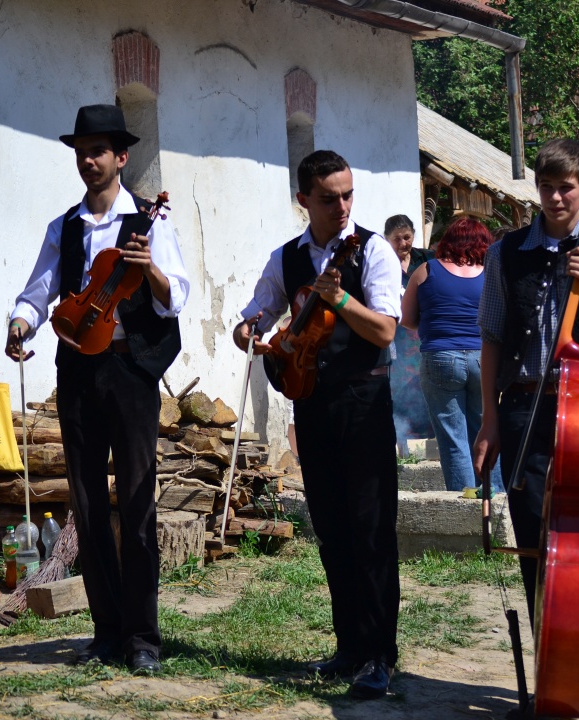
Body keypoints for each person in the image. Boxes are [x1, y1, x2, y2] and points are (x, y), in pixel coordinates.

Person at [5, 104, 189, 674]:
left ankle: (143, 637)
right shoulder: (65, 226)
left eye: (99, 152)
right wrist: (20, 324)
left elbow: (176, 297)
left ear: (121, 157)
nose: (89, 161)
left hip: (131, 370)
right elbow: (39, 290)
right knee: (86, 503)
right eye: (82, 153)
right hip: (78, 370)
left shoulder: (150, 222)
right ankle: (106, 631)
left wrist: (149, 267)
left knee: (136, 503)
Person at [472, 138, 579, 720]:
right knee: (534, 550)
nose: (555, 197)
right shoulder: (506, 252)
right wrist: (490, 418)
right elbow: (492, 338)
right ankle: (553, 675)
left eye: (566, 187)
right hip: (522, 410)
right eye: (546, 187)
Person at [233, 150, 401, 700]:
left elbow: (385, 330)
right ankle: (349, 644)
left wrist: (340, 298)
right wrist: (248, 329)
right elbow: (257, 310)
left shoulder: (373, 250)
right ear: (303, 199)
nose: (342, 206)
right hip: (312, 401)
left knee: (371, 529)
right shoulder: (286, 257)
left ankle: (379, 654)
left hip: (364, 400)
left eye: (348, 195)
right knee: (331, 527)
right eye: (329, 198)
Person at [401, 216, 501, 493]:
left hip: (440, 358)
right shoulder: (491, 272)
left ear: (447, 241)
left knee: (453, 438)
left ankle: (464, 504)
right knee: (487, 431)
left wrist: (435, 323)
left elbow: (406, 319)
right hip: (483, 359)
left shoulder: (425, 270)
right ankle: (496, 500)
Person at [383, 214, 432, 451]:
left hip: (423, 337)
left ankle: (427, 446)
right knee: (399, 391)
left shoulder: (427, 259)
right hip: (397, 340)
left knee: (425, 389)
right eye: (397, 239)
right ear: (387, 240)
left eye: (407, 237)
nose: (403, 243)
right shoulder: (383, 265)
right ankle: (401, 446)